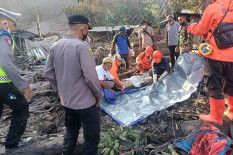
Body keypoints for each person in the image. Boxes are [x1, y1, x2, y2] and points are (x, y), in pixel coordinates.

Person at [45, 14, 104, 155]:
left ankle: (66, 152)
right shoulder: (82, 47)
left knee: (71, 131)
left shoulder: (55, 46)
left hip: (67, 102)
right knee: (91, 137)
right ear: (83, 28)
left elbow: (48, 73)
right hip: (85, 103)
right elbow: (90, 77)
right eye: (87, 30)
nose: (87, 32)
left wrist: (61, 89)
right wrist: (98, 94)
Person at [188, 0, 233, 125]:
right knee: (231, 83)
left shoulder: (213, 8)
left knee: (214, 83)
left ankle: (216, 116)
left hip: (215, 54)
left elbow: (202, 29)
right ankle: (231, 111)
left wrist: (191, 27)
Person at [0, 8, 34, 152]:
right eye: (12, 24)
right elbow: (6, 63)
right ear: (4, 22)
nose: (13, 28)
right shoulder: (3, 37)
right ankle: (12, 143)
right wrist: (23, 85)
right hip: (2, 83)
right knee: (21, 108)